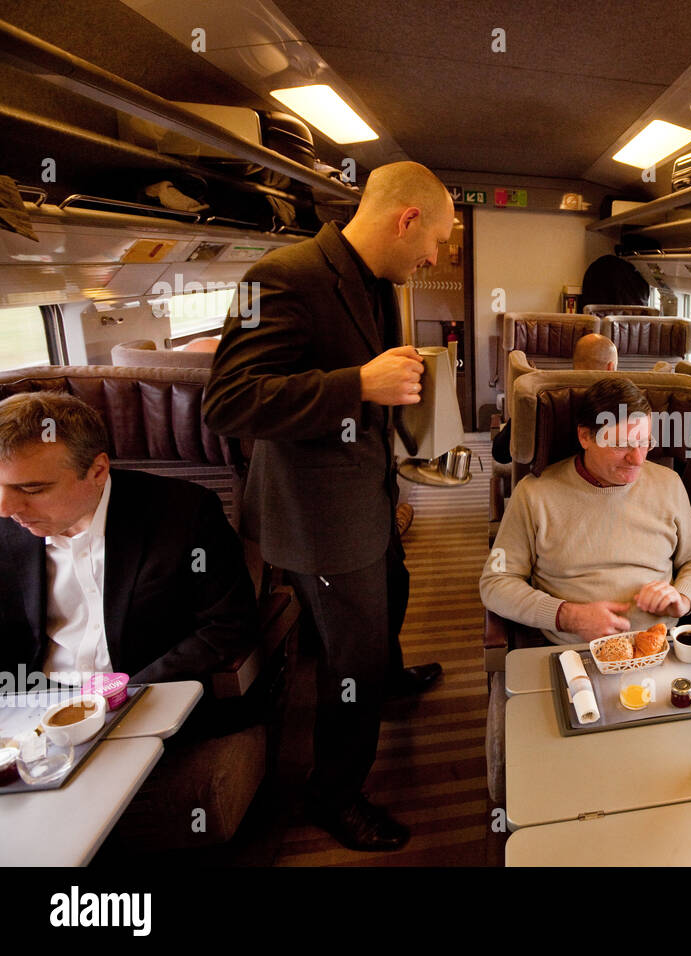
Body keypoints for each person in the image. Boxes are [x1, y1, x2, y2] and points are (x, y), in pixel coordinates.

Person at [202, 161, 453, 851]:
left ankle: (390, 676)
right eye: (436, 240)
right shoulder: (279, 277)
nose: (436, 257)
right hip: (319, 519)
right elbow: (228, 402)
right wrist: (357, 385)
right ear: (406, 220)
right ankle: (333, 795)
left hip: (368, 492)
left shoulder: (379, 284)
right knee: (352, 660)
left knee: (393, 592)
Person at [0, 393, 257, 694]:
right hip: (31, 701)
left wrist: (128, 693)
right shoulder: (6, 524)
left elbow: (226, 625)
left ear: (97, 471)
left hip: (148, 693)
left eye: (32, 489)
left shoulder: (186, 514)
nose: (5, 509)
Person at [480, 377, 691, 643]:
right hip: (575, 652)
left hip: (660, 646)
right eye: (621, 444)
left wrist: (683, 597)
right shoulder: (534, 494)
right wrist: (569, 616)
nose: (637, 459)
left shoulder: (669, 483)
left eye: (645, 442)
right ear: (585, 436)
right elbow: (495, 583)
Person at [491, 333, 617, 465]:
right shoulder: (621, 402)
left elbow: (500, 453)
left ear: (574, 363)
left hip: (546, 478)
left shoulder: (543, 395)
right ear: (611, 368)